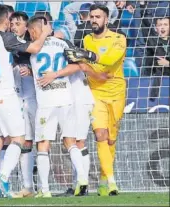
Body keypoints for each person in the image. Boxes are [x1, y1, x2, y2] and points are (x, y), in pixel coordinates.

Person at [0, 4, 51, 198]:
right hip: (5, 94)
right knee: (19, 138)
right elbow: (35, 47)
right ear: (6, 19)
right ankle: (3, 178)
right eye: (10, 19)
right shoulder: (6, 37)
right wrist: (45, 33)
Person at [64, 4, 127, 196]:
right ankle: (112, 182)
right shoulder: (86, 39)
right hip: (95, 93)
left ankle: (103, 178)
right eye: (91, 16)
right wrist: (85, 63)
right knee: (101, 135)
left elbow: (109, 60)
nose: (94, 20)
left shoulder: (119, 39)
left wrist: (87, 56)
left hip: (116, 93)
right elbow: (86, 66)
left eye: (98, 17)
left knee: (111, 140)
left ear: (106, 20)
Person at [27, 15, 88, 198]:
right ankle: (83, 179)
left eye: (31, 32)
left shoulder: (32, 47)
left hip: (47, 102)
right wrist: (57, 74)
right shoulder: (63, 44)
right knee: (70, 141)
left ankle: (44, 190)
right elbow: (78, 66)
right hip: (66, 98)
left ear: (36, 30)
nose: (30, 35)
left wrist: (51, 75)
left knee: (43, 144)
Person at [9, 11, 36, 198]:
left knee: (43, 140)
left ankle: (44, 186)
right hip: (19, 96)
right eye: (12, 23)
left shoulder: (35, 44)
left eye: (18, 23)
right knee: (24, 140)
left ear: (26, 27)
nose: (14, 26)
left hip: (39, 96)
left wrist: (32, 70)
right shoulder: (7, 42)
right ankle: (27, 186)